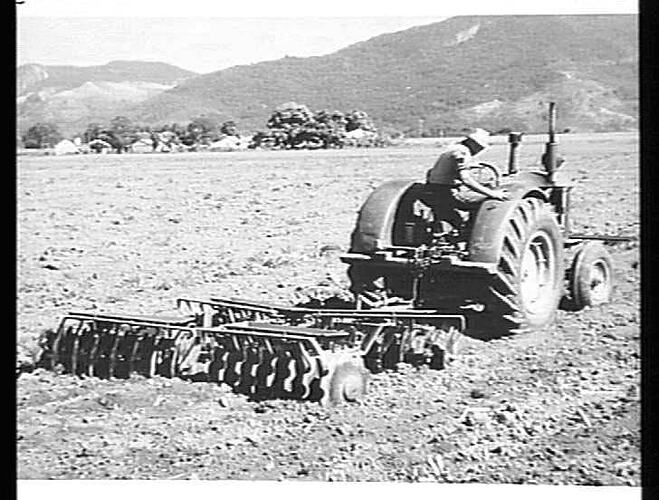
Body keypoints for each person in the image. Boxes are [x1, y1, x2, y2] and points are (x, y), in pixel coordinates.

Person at [424, 128, 509, 230]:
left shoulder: (453, 149)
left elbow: (430, 172)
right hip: (448, 193)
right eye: (480, 147)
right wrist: (493, 193)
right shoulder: (462, 153)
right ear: (474, 144)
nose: (479, 151)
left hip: (435, 190)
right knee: (489, 201)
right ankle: (473, 231)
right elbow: (466, 179)